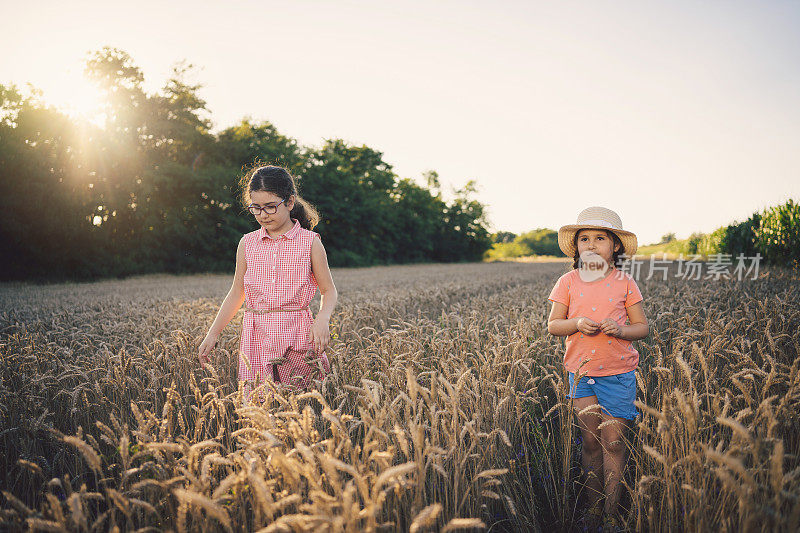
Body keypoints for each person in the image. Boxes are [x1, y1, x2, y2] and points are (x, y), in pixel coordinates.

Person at [546, 206, 649, 530]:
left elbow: (642, 328)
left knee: (614, 443)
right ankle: (592, 509)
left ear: (615, 246)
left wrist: (621, 330)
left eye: (600, 238)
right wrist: (575, 322)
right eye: (584, 238)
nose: (591, 245)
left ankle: (611, 514)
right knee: (589, 442)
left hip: (618, 375)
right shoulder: (567, 281)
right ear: (576, 247)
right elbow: (553, 325)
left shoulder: (625, 282)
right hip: (581, 374)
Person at [198, 165, 337, 398]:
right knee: (258, 404)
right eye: (256, 208)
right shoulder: (247, 243)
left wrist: (322, 318)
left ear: (290, 202)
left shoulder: (310, 242)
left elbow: (328, 290)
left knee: (303, 402)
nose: (263, 215)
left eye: (271, 207)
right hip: (256, 336)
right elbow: (236, 293)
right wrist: (213, 333)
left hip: (298, 333)